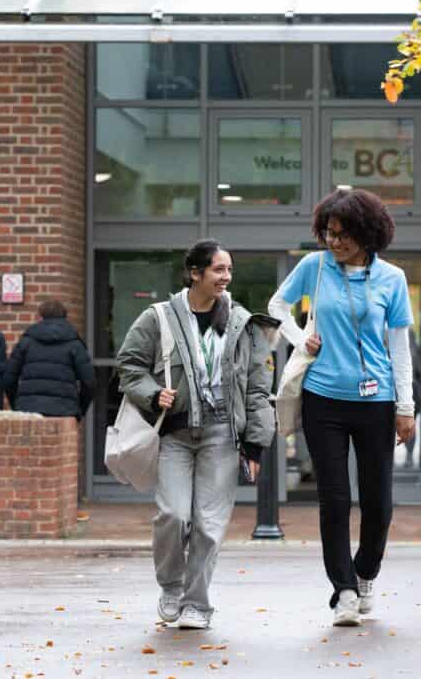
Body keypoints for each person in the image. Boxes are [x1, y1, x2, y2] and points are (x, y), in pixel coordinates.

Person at [268, 188, 415, 627]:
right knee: (334, 499)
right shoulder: (314, 268)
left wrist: (405, 405)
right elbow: (277, 305)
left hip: (376, 400)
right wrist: (300, 338)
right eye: (328, 233)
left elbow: (399, 348)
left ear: (367, 234)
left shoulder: (392, 279)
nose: (333, 242)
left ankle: (365, 572)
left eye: (343, 235)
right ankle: (345, 590)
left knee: (378, 501)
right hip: (323, 398)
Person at [116, 240, 277, 630]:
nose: (226, 277)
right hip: (175, 434)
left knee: (208, 524)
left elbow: (257, 387)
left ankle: (197, 604)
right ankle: (172, 586)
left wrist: (255, 444)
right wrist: (153, 393)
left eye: (229, 270)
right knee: (172, 515)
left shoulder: (240, 322)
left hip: (221, 433)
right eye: (219, 269)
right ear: (195, 273)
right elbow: (129, 365)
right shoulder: (158, 317)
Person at [3, 300, 95, 419]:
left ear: (40, 317)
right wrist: (80, 408)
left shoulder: (26, 342)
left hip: (29, 409)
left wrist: (18, 404)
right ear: (64, 318)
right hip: (65, 411)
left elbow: (8, 378)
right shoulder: (74, 344)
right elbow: (89, 381)